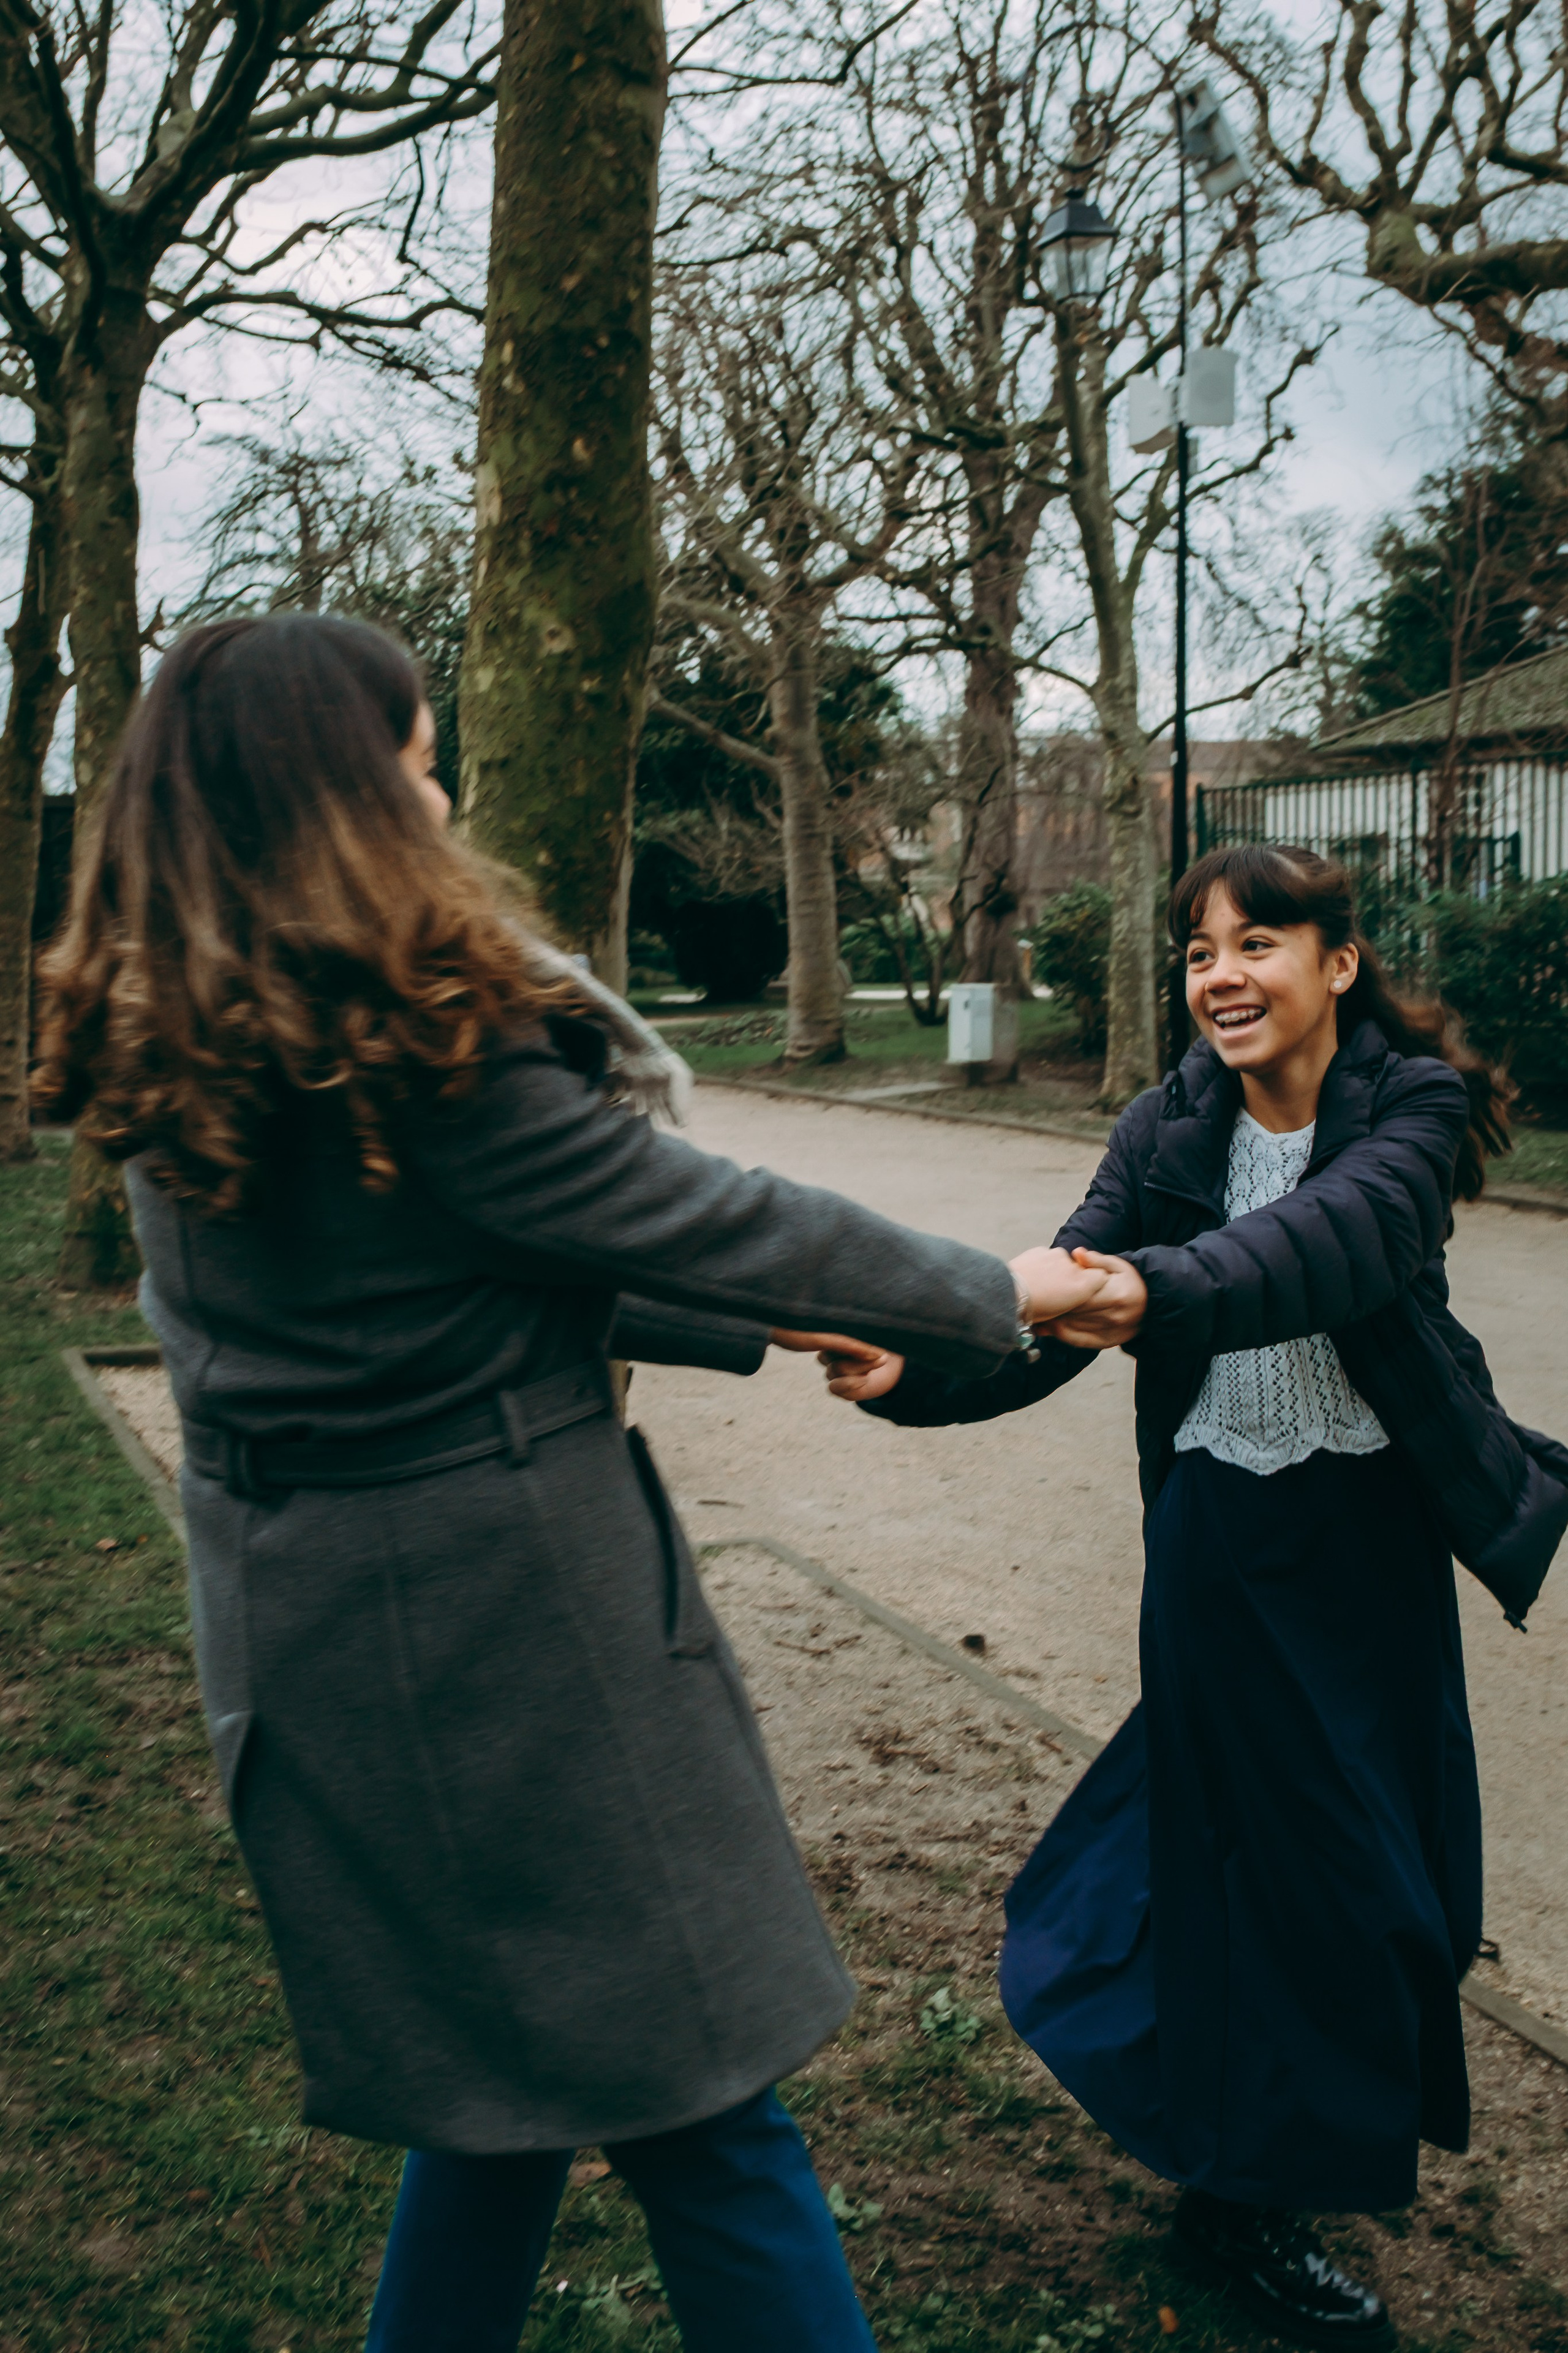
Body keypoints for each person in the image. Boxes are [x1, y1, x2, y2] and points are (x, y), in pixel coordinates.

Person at [32, 612, 1108, 2353]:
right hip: (506, 1661)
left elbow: (467, 1273)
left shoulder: (199, 1037)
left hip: (321, 1647)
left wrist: (768, 1337)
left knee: (501, 2090)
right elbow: (707, 1211)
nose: (440, 782)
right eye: (412, 752)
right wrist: (1001, 1286)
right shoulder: (412, 1050)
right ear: (342, 794)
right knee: (710, 2110)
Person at [823, 844, 1568, 2351]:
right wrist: (917, 1366)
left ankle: (1242, 2156)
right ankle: (1246, 2201)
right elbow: (1058, 1313)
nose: (1219, 974)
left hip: (1367, 1545)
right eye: (1195, 952)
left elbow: (1322, 1251)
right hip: (1222, 1549)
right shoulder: (1165, 1122)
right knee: (1267, 1883)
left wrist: (1142, 1292)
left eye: (1256, 941)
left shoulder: (1402, 1115)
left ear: (1335, 965)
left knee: (1385, 1883)